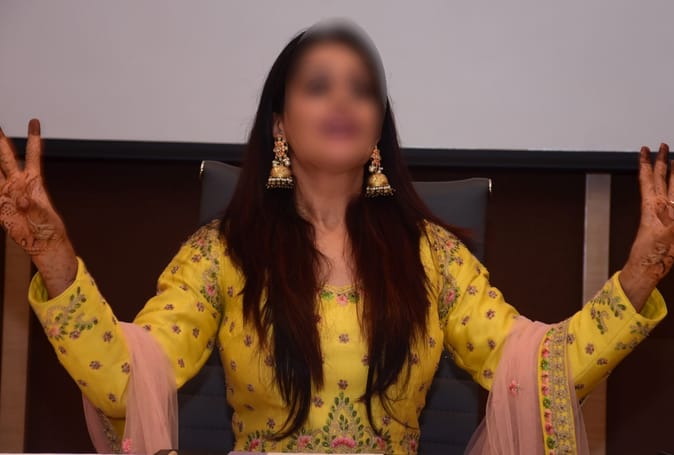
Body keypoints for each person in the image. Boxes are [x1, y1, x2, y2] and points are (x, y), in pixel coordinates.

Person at [0, 20, 670, 455]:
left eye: (362, 89)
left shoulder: (433, 257)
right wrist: (55, 258)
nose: (344, 101)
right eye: (319, 86)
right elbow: (125, 381)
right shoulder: (223, 252)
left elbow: (542, 368)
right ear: (280, 125)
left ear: (378, 127)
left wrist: (639, 272)